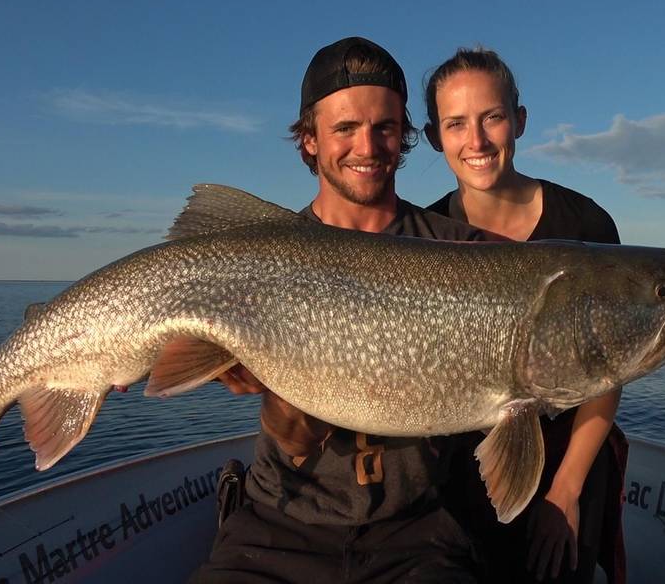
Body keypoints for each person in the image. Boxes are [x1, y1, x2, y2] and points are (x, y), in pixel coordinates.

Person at [191, 36, 486, 583]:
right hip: (276, 522)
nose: (367, 147)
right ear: (309, 140)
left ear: (404, 137)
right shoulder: (258, 250)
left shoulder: (464, 253)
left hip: (415, 534)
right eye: (345, 128)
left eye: (385, 128)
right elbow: (293, 438)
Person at [422, 47, 629, 584]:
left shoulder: (584, 223)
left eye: (492, 117)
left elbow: (608, 369)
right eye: (456, 124)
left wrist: (565, 492)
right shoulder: (429, 234)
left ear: (519, 120)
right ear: (433, 137)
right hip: (468, 466)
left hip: (569, 459)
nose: (477, 141)